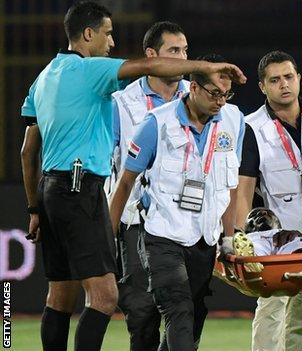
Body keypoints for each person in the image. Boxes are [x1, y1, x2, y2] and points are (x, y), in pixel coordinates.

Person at [19, 2, 245, 349]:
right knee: (105, 297)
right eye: (108, 34)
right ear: (89, 34)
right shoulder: (90, 70)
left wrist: (35, 208)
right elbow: (148, 66)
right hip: (81, 189)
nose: (112, 43)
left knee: (60, 295)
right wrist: (207, 65)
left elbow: (27, 151)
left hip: (51, 187)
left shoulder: (45, 76)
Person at [109, 53, 244, 350]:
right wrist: (109, 238)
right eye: (214, 94)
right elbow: (126, 182)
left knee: (191, 319)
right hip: (162, 237)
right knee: (178, 310)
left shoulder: (234, 122)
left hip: (204, 241)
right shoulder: (156, 123)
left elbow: (231, 185)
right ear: (193, 87)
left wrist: (230, 236)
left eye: (226, 94)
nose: (221, 102)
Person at [232, 50, 302, 351]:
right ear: (263, 87)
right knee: (272, 307)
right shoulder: (252, 127)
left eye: (289, 77)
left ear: (299, 78)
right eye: (274, 80)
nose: (284, 84)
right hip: (278, 238)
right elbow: (244, 187)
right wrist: (237, 235)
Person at [109, 21, 190, 350]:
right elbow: (105, 165)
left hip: (187, 223)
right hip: (137, 226)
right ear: (151, 55)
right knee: (142, 316)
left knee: (186, 313)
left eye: (185, 51)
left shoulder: (198, 97)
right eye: (174, 51)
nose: (183, 58)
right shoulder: (121, 103)